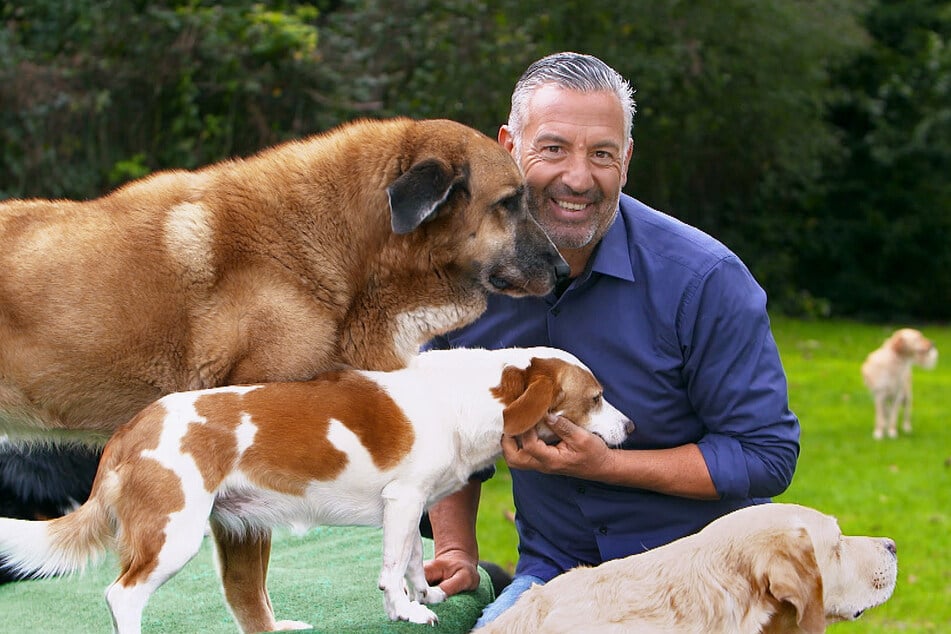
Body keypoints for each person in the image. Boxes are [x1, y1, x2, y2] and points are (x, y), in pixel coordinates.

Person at [421, 51, 801, 627]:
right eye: (552, 149)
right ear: (507, 146)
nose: (578, 178)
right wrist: (453, 547)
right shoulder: (458, 278)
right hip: (558, 575)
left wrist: (608, 466)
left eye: (601, 154)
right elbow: (440, 425)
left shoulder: (705, 280)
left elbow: (766, 454)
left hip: (708, 577)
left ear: (625, 159)